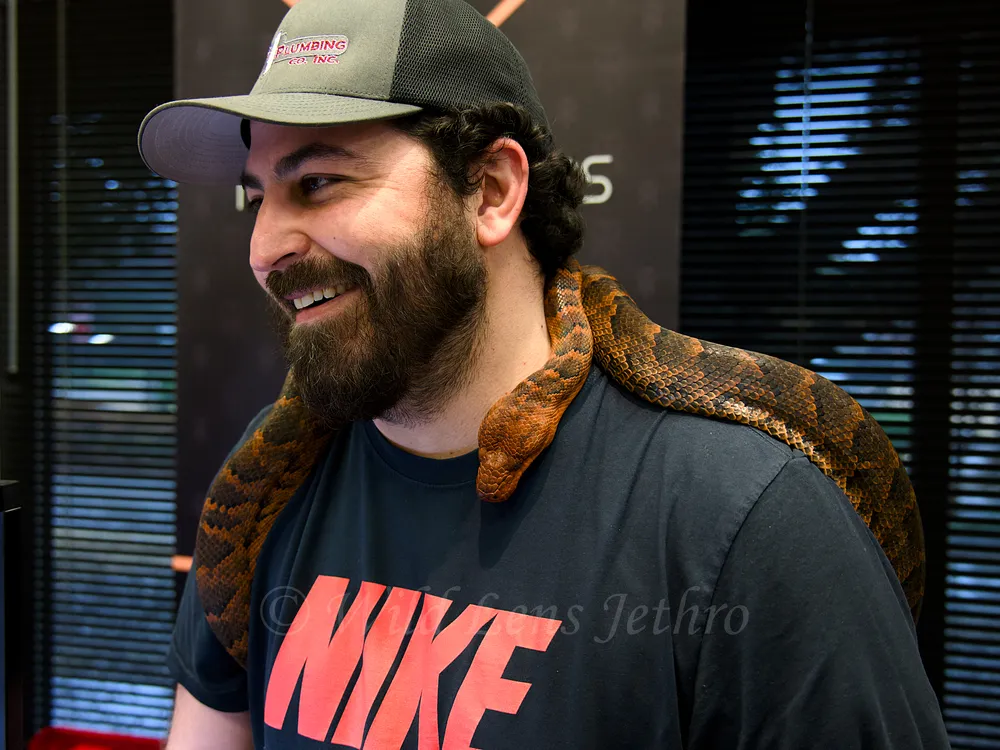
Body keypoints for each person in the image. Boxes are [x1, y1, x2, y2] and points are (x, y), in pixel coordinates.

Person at [138, 0, 951, 747]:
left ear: (491, 190)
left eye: (318, 182)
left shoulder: (751, 519)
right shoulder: (272, 479)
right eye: (256, 199)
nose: (263, 247)